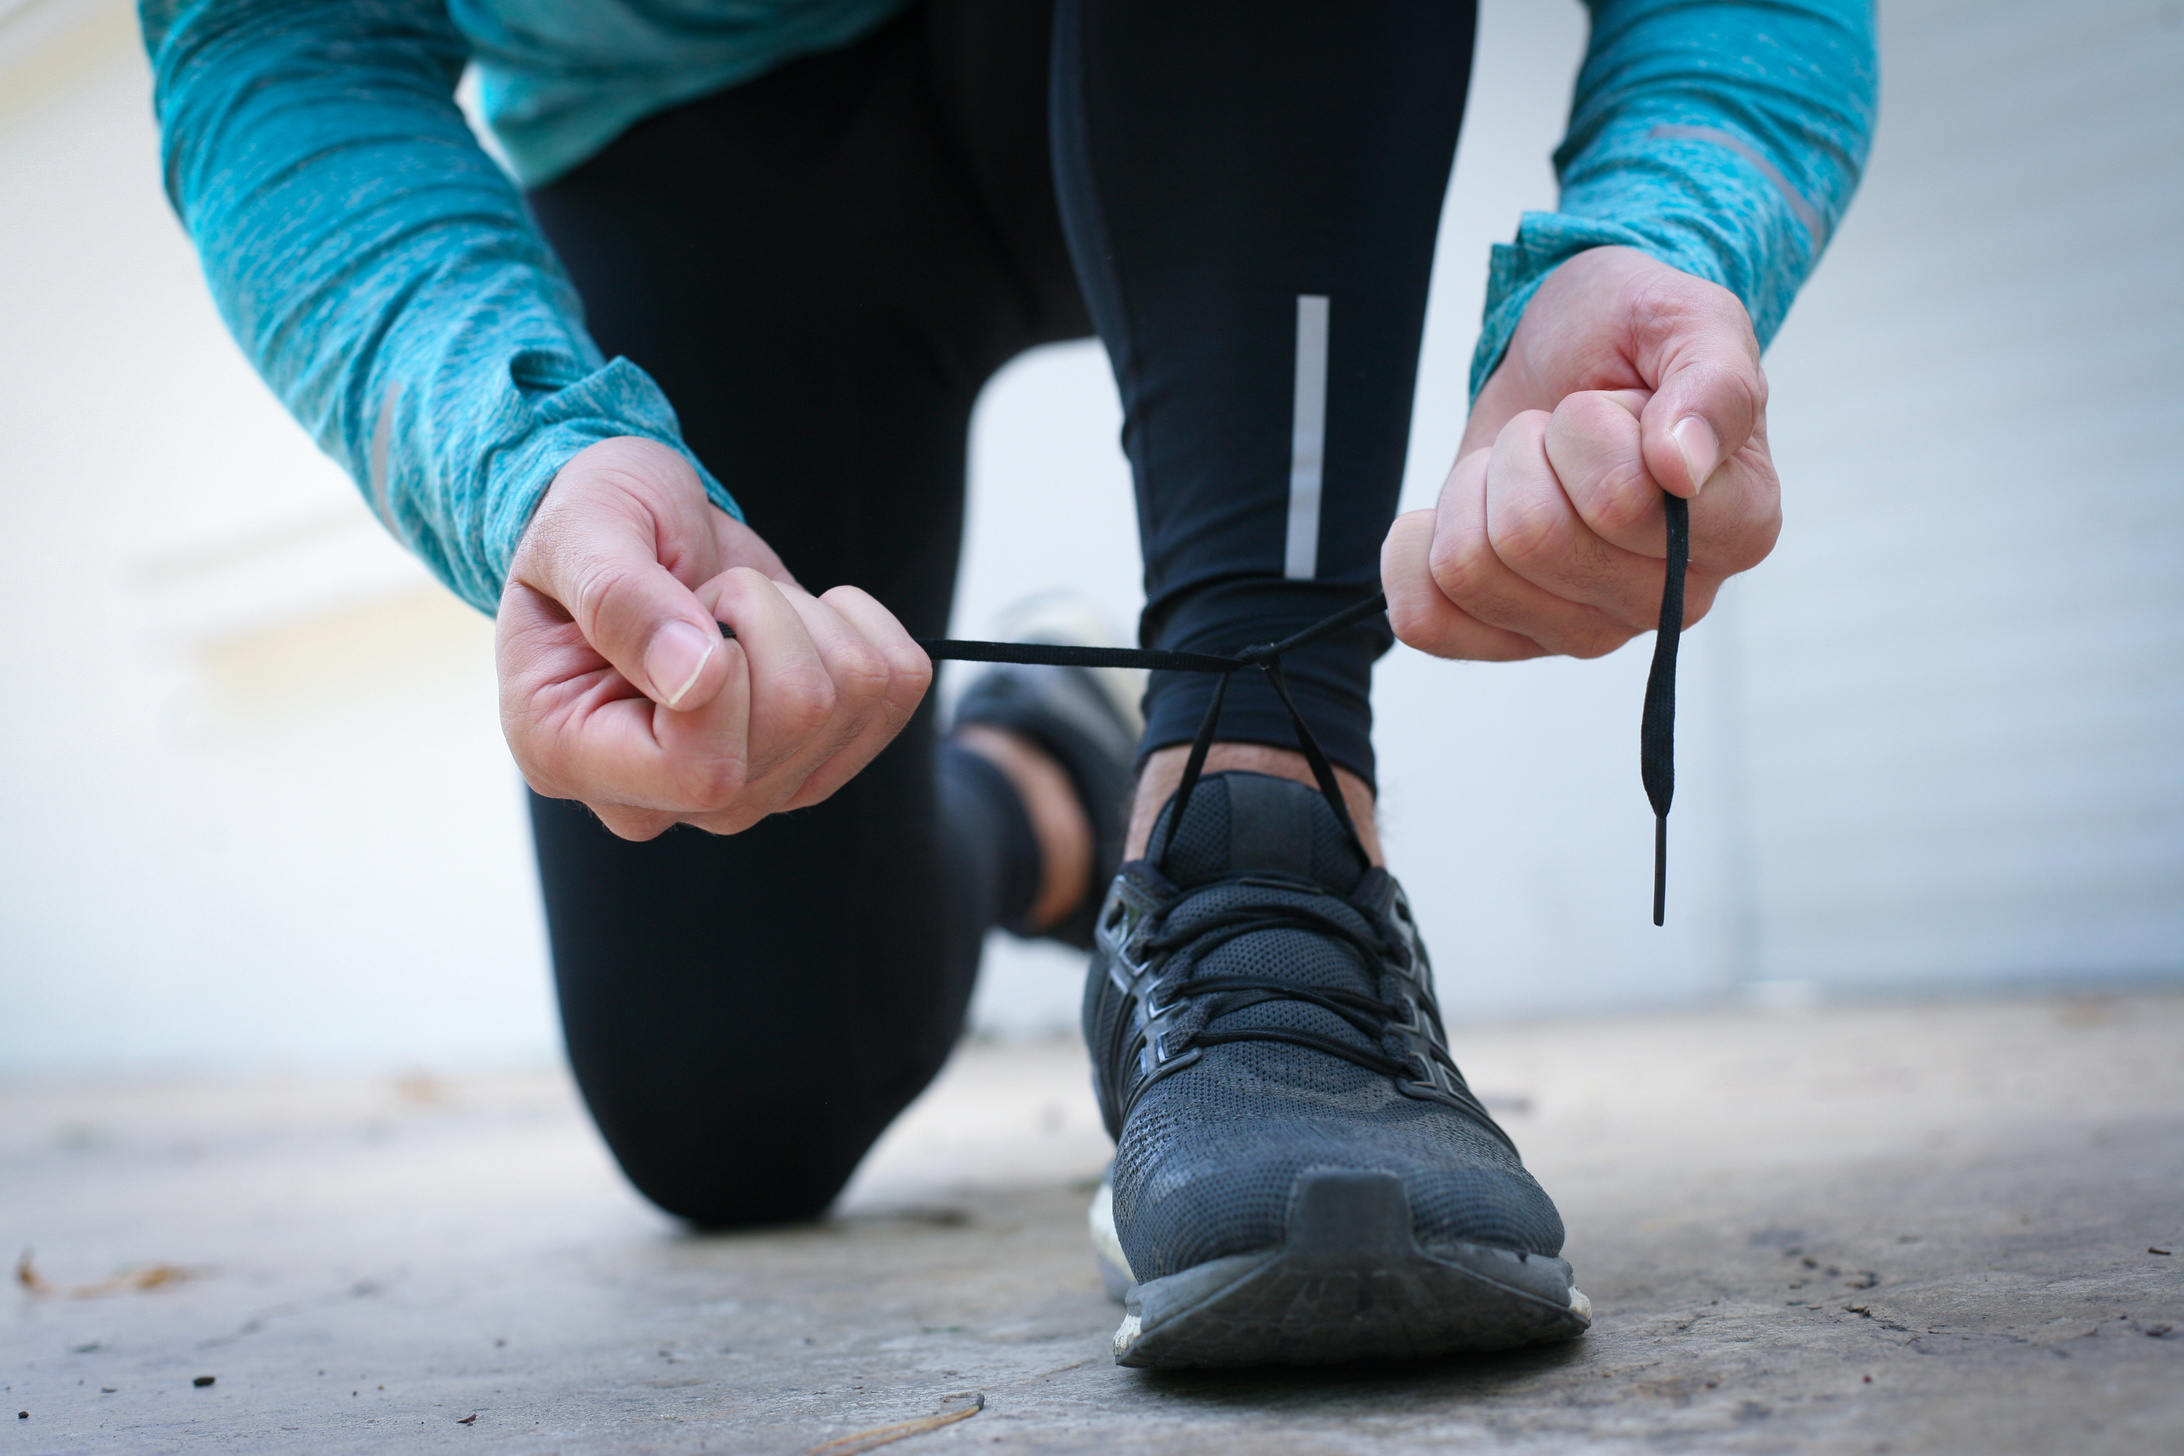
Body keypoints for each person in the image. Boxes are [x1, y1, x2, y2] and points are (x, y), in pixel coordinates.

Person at [140, 0, 1875, 1367]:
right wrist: (530, 461)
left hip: (1242, 62)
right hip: (689, 131)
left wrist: (1665, 231)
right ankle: (1044, 792)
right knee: (732, 1114)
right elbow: (275, 46)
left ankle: (1259, 844)